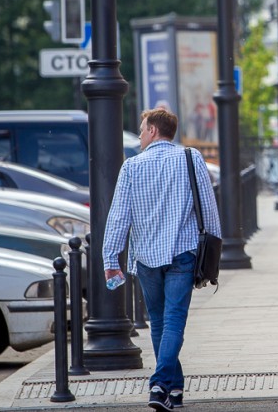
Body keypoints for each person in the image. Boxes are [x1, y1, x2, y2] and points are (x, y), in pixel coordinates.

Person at [103, 108, 221, 411]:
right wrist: (213, 255)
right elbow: (208, 208)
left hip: (146, 257)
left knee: (159, 322)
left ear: (153, 130)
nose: (140, 135)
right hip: (183, 252)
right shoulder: (190, 158)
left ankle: (163, 385)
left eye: (142, 129)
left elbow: (119, 216)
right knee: (173, 321)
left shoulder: (131, 166)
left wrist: (110, 258)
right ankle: (168, 387)